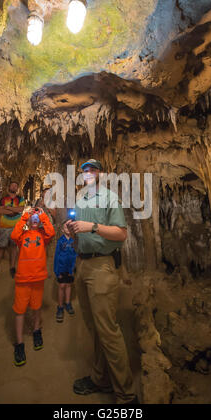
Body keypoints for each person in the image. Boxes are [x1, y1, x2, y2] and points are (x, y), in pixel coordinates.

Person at [66, 159, 138, 404]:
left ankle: (126, 395)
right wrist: (70, 229)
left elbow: (121, 233)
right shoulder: (80, 199)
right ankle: (100, 378)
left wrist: (93, 227)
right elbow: (79, 230)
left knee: (108, 330)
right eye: (85, 170)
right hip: (83, 265)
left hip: (102, 267)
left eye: (93, 170)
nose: (88, 173)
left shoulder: (109, 198)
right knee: (94, 329)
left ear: (101, 174)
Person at [10, 207, 55, 366]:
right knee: (20, 310)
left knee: (36, 307)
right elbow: (13, 235)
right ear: (28, 221)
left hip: (38, 278)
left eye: (37, 218)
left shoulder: (43, 236)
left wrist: (42, 215)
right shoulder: (22, 236)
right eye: (33, 218)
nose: (35, 219)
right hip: (23, 278)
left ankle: (36, 331)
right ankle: (19, 343)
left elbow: (51, 232)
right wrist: (24, 217)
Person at [0, 181, 25, 282]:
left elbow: (21, 209)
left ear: (17, 188)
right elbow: (0, 210)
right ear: (9, 187)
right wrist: (14, 210)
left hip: (16, 227)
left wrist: (8, 208)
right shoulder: (4, 199)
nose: (14, 187)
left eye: (16, 186)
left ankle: (12, 267)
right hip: (4, 226)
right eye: (12, 185)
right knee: (0, 248)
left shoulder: (20, 198)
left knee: (14, 247)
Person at [53, 220, 77, 323]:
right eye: (66, 227)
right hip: (61, 269)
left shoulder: (74, 241)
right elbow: (56, 257)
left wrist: (73, 268)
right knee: (62, 286)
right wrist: (57, 271)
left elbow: (75, 255)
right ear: (62, 229)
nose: (68, 229)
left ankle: (68, 303)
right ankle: (60, 306)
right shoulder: (60, 241)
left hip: (70, 269)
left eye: (69, 227)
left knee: (68, 285)